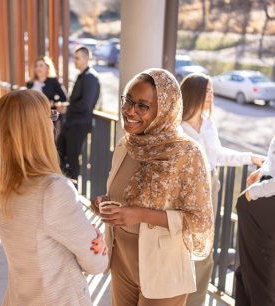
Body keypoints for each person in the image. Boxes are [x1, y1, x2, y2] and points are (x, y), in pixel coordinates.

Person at [90, 69, 214, 306]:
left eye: (142, 106)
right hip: (121, 258)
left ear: (164, 111)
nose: (129, 110)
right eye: (128, 100)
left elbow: (199, 221)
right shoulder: (127, 144)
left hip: (164, 266)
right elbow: (122, 196)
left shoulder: (187, 154)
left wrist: (140, 215)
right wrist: (103, 202)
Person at [0, 90, 108, 306]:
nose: (53, 123)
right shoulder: (53, 190)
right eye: (50, 116)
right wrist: (99, 241)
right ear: (38, 129)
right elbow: (97, 264)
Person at [179, 72, 266, 306]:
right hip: (184, 196)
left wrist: (251, 157)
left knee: (204, 249)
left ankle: (194, 301)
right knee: (182, 247)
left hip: (211, 189)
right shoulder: (177, 127)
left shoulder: (208, 122)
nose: (211, 95)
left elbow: (217, 155)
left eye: (211, 90)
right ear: (193, 92)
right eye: (206, 91)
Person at [235, 137, 275, 306]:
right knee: (246, 273)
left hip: (265, 203)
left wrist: (253, 192)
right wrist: (264, 170)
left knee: (258, 279)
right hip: (265, 199)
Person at [56, 46, 100, 182]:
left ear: (86, 59)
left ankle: (73, 191)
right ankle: (63, 186)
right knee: (60, 151)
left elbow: (86, 103)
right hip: (72, 123)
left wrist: (67, 108)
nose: (74, 60)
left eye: (77, 58)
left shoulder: (91, 77)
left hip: (80, 124)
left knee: (73, 158)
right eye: (74, 57)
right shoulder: (82, 76)